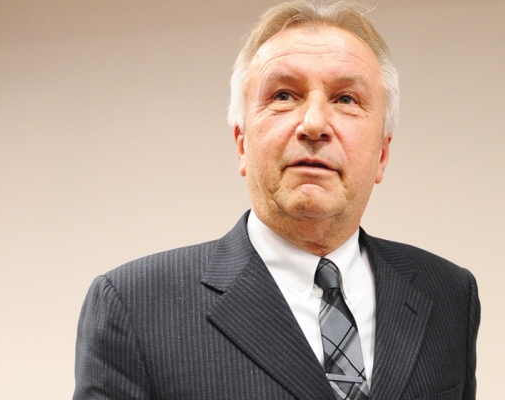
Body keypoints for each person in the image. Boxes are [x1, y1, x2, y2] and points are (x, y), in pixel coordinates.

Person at [73, 1, 480, 399]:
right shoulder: (134, 306)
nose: (314, 124)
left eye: (346, 99)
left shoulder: (450, 295)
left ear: (383, 154)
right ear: (241, 144)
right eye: (284, 95)